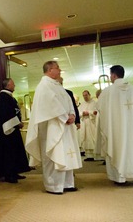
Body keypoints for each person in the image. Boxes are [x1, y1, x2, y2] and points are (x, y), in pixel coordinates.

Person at [26, 61, 82, 194]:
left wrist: (72, 115)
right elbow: (51, 105)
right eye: (57, 68)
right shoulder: (44, 86)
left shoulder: (57, 85)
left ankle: (68, 183)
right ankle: (54, 185)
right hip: (52, 128)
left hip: (65, 127)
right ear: (50, 70)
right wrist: (65, 117)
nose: (60, 70)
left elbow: (69, 102)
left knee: (66, 155)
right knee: (54, 155)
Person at [96, 65, 133, 185]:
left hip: (117, 129)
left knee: (117, 148)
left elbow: (99, 108)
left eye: (110, 75)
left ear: (114, 75)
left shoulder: (108, 91)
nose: (110, 77)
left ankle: (119, 178)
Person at [0, 78, 31, 183]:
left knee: (15, 151)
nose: (14, 86)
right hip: (7, 131)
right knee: (8, 152)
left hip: (13, 129)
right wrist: (17, 122)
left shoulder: (9, 97)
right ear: (8, 85)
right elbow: (6, 114)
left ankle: (15, 172)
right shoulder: (3, 97)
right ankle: (9, 174)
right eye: (13, 84)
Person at [78, 90, 98, 161]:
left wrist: (89, 113)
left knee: (92, 137)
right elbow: (78, 112)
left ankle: (95, 155)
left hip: (91, 123)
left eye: (86, 95)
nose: (85, 97)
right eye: (83, 96)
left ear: (89, 95)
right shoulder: (82, 104)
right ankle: (88, 155)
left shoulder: (94, 103)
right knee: (86, 138)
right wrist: (82, 114)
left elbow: (96, 112)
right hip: (85, 123)